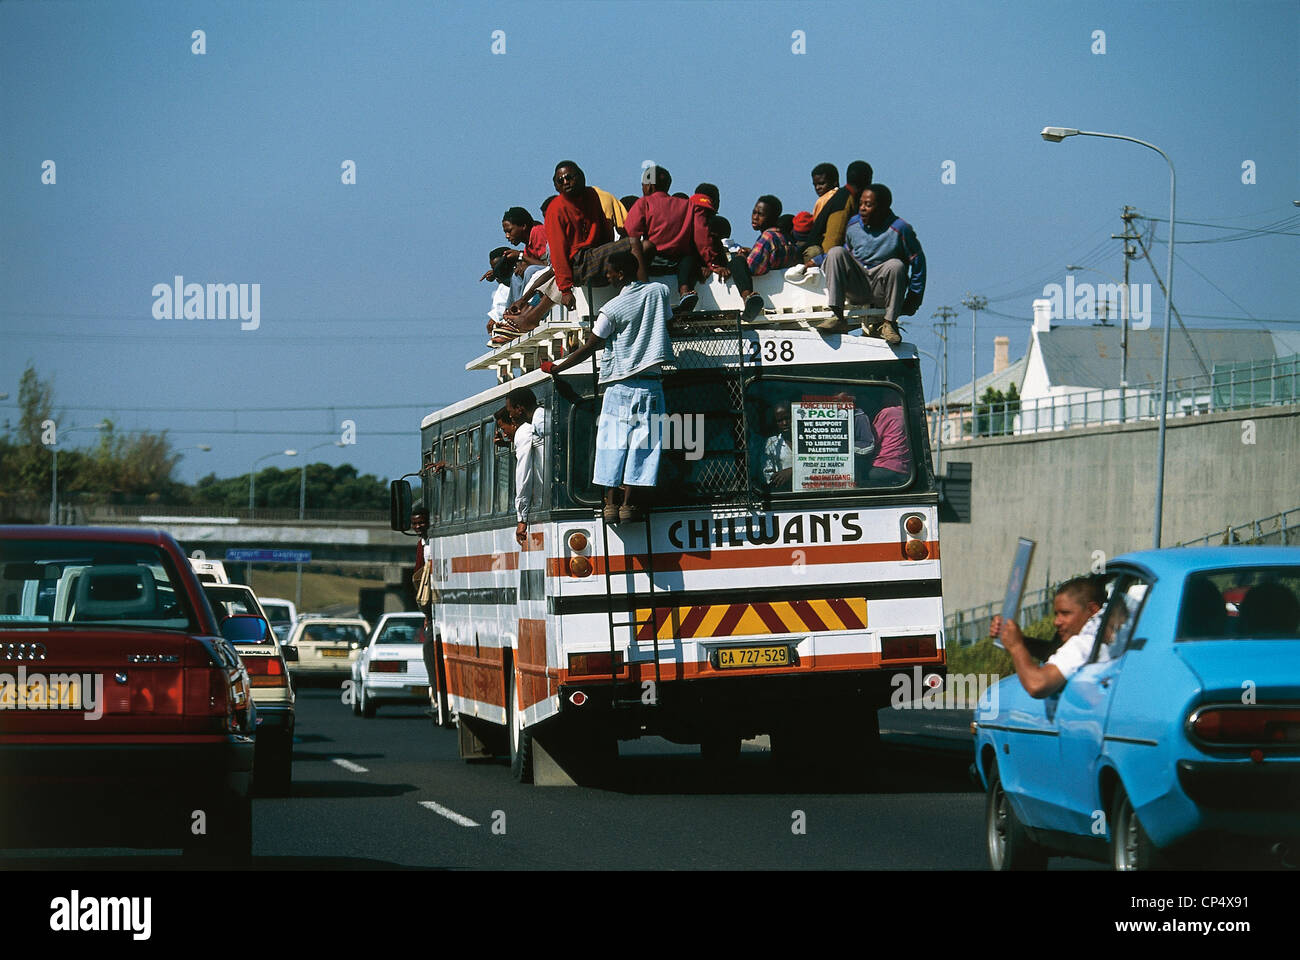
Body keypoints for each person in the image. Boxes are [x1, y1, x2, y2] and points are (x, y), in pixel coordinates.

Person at [542, 250, 672, 524]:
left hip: (619, 387)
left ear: (621, 274)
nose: (607, 276)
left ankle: (610, 504)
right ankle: (629, 504)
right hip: (651, 386)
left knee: (611, 445)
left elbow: (591, 345)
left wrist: (559, 367)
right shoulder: (659, 292)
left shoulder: (612, 309)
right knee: (644, 446)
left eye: (610, 272)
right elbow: (666, 320)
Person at [505, 161, 647, 332]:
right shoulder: (556, 210)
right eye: (560, 180)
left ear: (581, 177)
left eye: (570, 177)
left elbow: (603, 231)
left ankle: (530, 317)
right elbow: (559, 254)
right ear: (556, 186)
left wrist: (609, 258)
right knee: (635, 242)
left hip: (593, 255)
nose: (566, 182)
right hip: (580, 262)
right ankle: (643, 293)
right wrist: (565, 291)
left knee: (646, 246)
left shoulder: (592, 196)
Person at [819, 183, 925, 343]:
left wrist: (913, 299)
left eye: (868, 205)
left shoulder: (900, 229)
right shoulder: (853, 224)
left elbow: (918, 263)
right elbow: (846, 255)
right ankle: (838, 317)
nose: (862, 208)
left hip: (882, 289)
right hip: (858, 285)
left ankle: (889, 324)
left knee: (896, 265)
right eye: (861, 204)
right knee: (836, 252)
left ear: (882, 207)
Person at [990, 576, 1107, 698]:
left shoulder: (1084, 644)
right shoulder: (1107, 639)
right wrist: (1017, 639)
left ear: (1093, 610)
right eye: (1057, 614)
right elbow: (1051, 652)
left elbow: (1036, 685)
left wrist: (1016, 646)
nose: (1056, 622)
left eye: (1065, 613)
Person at [624, 162, 713, 311]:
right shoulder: (688, 205)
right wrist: (710, 262)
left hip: (652, 262)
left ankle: (641, 289)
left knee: (638, 249)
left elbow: (631, 232)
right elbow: (701, 236)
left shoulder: (643, 203)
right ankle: (684, 290)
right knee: (689, 255)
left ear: (649, 186)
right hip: (679, 262)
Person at [714, 195, 795, 320]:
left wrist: (741, 258)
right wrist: (751, 252)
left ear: (772, 218)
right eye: (754, 212)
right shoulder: (783, 236)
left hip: (768, 284)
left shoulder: (767, 237)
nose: (755, 217)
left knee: (737, 261)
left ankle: (747, 297)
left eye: (760, 214)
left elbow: (753, 268)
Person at [500, 206, 550, 305]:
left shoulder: (538, 232)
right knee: (517, 275)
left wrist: (520, 255)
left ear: (523, 226)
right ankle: (511, 309)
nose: (507, 236)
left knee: (530, 271)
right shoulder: (528, 245)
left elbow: (547, 265)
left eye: (509, 231)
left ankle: (523, 306)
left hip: (553, 274)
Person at [865, 389, 911, 485]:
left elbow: (871, 440)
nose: (883, 399)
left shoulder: (888, 412)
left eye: (886, 395)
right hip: (904, 470)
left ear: (893, 395)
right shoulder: (909, 414)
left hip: (883, 467)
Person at [761, 403, 793, 491]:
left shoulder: (807, 439)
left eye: (787, 418)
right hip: (784, 494)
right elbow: (768, 476)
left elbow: (815, 467)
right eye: (780, 420)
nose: (785, 423)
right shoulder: (772, 443)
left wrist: (792, 472)